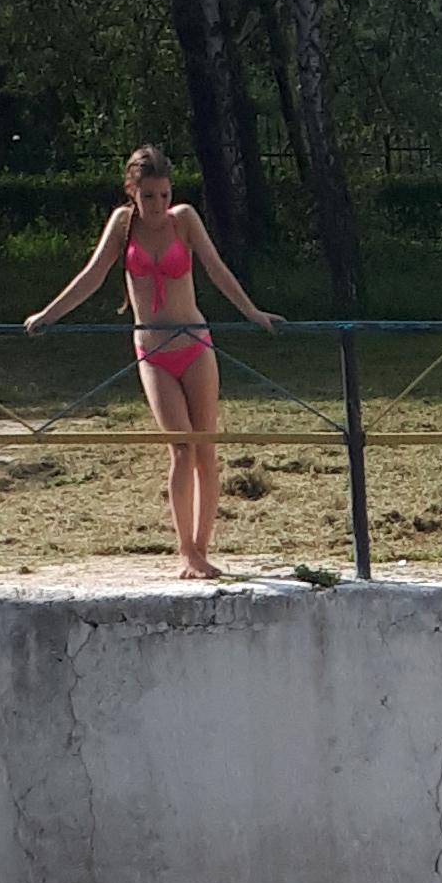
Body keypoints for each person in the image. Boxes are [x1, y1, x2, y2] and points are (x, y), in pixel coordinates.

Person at [25, 147, 279, 583]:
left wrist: (253, 313)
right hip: (153, 351)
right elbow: (93, 274)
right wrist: (49, 314)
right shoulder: (123, 225)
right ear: (133, 194)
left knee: (206, 450)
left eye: (163, 195)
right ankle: (186, 552)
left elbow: (217, 271)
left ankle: (202, 548)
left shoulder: (185, 219)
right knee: (180, 448)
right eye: (148, 197)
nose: (157, 206)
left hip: (195, 344)